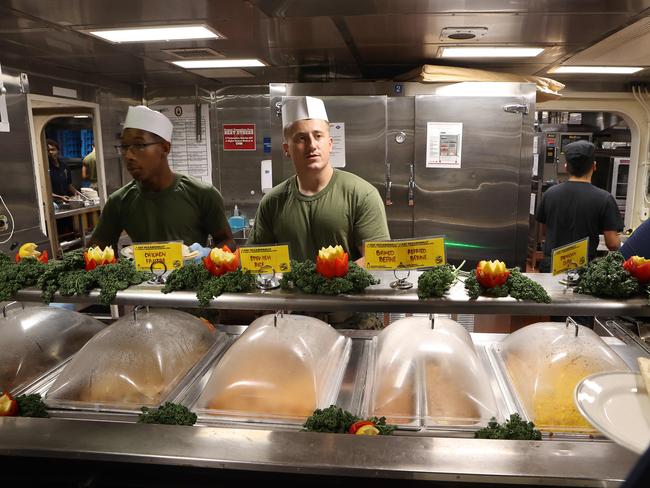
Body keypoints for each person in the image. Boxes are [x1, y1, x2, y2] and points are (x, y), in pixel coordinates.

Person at [247, 96, 390, 263]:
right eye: (301, 138)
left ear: (330, 144)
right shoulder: (272, 202)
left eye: (318, 136)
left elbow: (379, 258)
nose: (312, 145)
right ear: (287, 149)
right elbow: (256, 259)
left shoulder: (361, 195)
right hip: (289, 290)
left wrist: (330, 276)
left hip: (346, 289)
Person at [90, 105, 234, 250]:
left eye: (139, 145)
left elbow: (227, 242)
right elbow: (94, 251)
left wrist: (208, 257)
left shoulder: (201, 194)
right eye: (124, 146)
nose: (128, 155)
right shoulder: (119, 201)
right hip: (142, 272)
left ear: (165, 148)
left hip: (191, 272)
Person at [535, 140, 623, 273]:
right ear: (594, 166)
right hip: (583, 270)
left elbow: (544, 232)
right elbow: (612, 244)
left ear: (566, 167)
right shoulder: (604, 198)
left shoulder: (550, 194)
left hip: (551, 268)